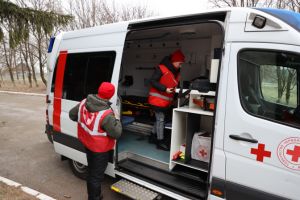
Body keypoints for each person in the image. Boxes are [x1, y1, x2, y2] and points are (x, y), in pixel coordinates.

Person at [69, 82, 122, 200]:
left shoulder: (84, 102)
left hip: (87, 144)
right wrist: (117, 118)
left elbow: (72, 115)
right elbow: (117, 133)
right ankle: (94, 198)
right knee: (95, 176)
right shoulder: (107, 113)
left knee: (92, 171)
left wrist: (85, 118)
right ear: (110, 95)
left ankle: (94, 195)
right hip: (100, 150)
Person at [148, 49, 185, 151]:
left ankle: (152, 136)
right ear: (174, 61)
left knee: (158, 119)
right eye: (180, 63)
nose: (181, 66)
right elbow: (152, 81)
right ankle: (160, 141)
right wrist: (165, 89)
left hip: (165, 102)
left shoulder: (176, 72)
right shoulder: (161, 68)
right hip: (156, 100)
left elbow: (174, 86)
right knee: (160, 120)